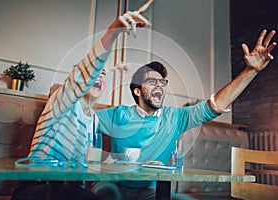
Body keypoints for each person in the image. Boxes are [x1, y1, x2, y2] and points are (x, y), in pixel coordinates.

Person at [91, 29, 276, 200]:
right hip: (113, 187)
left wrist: (250, 71)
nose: (159, 86)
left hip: (151, 192)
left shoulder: (175, 118)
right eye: (152, 81)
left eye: (162, 82)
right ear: (138, 91)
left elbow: (215, 105)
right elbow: (78, 119)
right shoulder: (118, 114)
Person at [10, 10, 151, 200]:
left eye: (103, 74)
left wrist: (122, 162)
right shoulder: (62, 101)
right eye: (96, 73)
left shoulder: (93, 119)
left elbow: (87, 163)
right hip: (37, 188)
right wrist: (112, 32)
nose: (99, 75)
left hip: (69, 191)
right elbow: (83, 75)